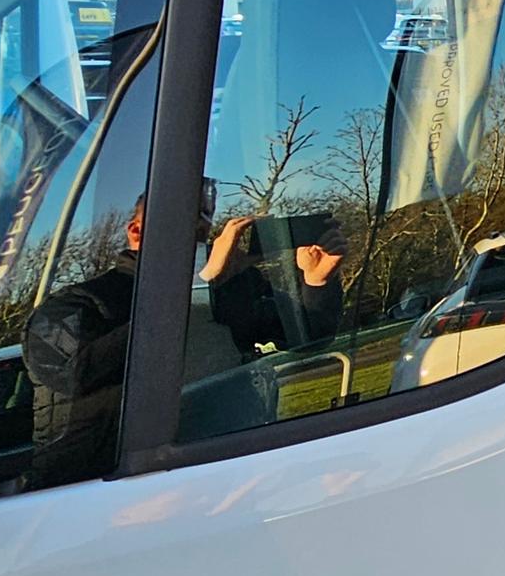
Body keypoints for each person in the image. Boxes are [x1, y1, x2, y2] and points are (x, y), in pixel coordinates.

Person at [25, 194, 346, 482]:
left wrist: (316, 280)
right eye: (188, 223)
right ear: (136, 231)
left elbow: (308, 341)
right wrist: (201, 286)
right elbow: (71, 375)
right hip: (105, 497)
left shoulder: (233, 287)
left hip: (229, 474)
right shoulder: (75, 304)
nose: (204, 235)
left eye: (207, 223)